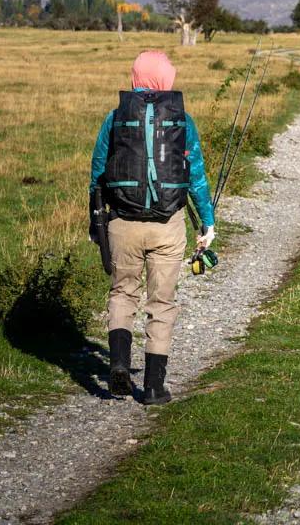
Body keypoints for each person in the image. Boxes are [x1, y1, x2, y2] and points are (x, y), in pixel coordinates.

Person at [89, 50, 215, 404]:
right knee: (161, 303)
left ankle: (117, 364)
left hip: (122, 223)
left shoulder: (115, 118)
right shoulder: (183, 122)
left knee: (123, 293)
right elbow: (197, 177)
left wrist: (95, 220)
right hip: (167, 225)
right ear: (167, 79)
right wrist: (207, 221)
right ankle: (155, 387)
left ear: (135, 76)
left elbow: (98, 171)